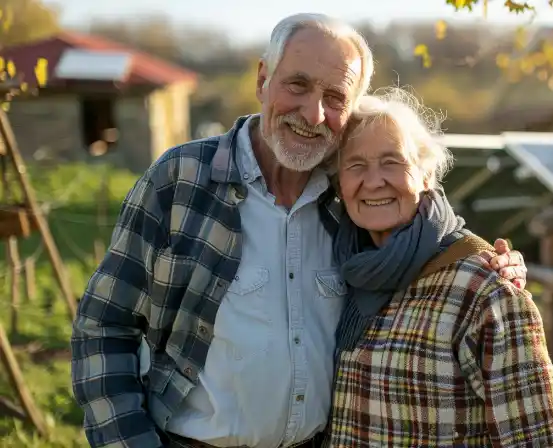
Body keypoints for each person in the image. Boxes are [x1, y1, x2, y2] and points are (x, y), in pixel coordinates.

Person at [70, 13, 529, 448]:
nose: (313, 114)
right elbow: (104, 325)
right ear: (261, 80)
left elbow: (419, 209)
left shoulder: (348, 198)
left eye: (335, 98)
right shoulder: (181, 179)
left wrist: (488, 263)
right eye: (298, 85)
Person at [323, 88, 553, 447]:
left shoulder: (484, 288)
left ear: (425, 176)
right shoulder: (335, 272)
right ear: (339, 184)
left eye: (393, 162)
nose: (374, 181)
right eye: (356, 165)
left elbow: (537, 439)